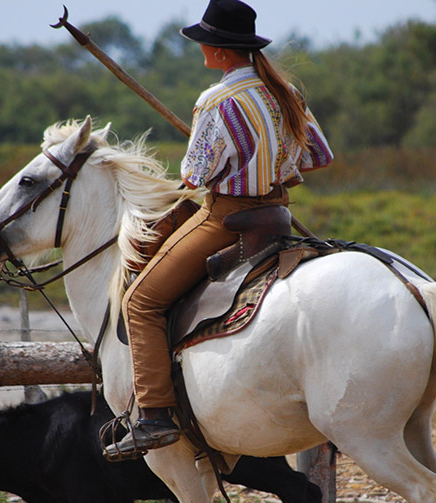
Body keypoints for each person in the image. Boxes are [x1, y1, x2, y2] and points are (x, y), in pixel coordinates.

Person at [107, 0, 333, 461]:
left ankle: (154, 416)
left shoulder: (216, 101)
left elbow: (193, 173)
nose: (201, 49)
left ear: (221, 52)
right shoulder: (286, 92)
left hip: (225, 219)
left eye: (205, 43)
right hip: (277, 216)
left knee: (141, 302)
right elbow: (319, 156)